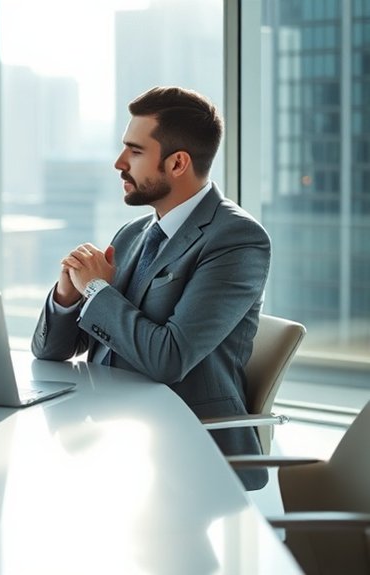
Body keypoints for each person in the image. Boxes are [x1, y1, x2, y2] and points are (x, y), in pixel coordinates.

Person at [30, 86, 270, 490]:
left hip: (188, 450)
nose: (119, 163)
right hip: (108, 435)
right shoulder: (134, 233)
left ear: (177, 163)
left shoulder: (237, 240)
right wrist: (67, 297)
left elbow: (169, 359)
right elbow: (48, 351)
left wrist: (96, 292)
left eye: (135, 151)